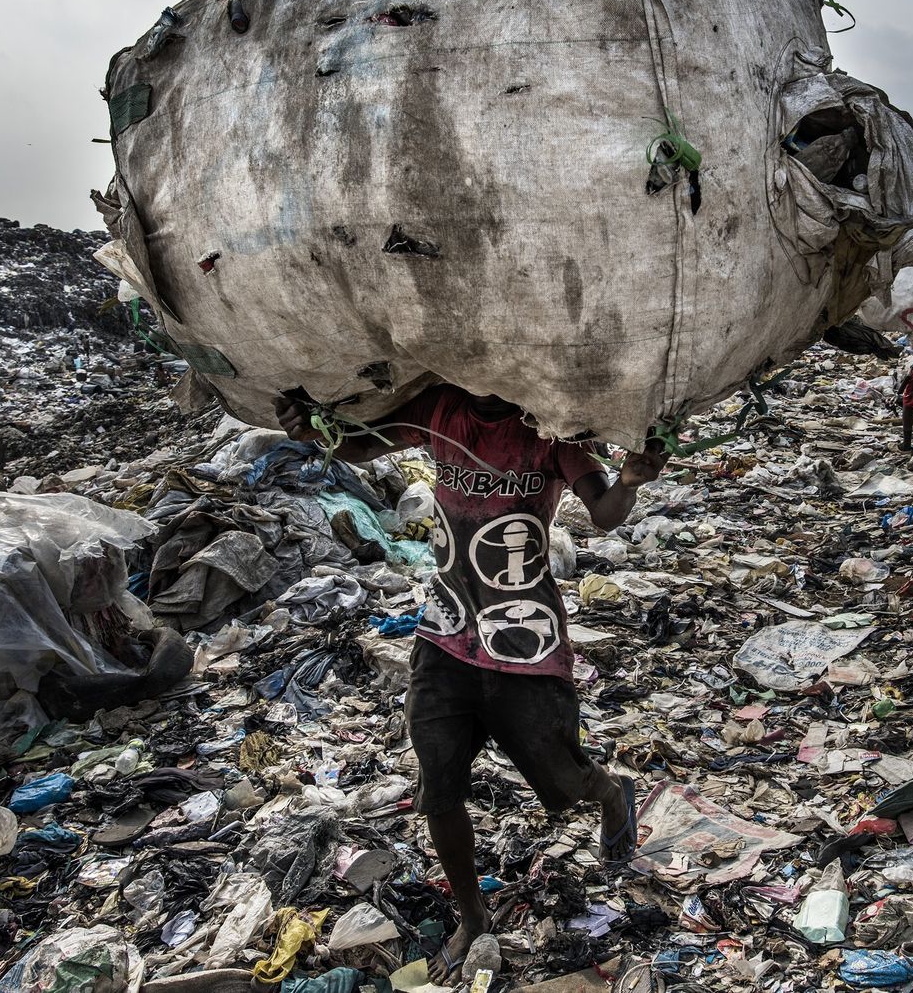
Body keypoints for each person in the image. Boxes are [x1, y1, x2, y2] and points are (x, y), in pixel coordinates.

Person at [275, 385, 667, 982]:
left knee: (560, 775)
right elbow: (360, 446)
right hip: (447, 630)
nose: (485, 386)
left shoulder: (552, 427)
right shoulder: (439, 409)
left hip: (524, 639)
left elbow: (605, 511)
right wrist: (312, 429)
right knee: (439, 782)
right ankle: (474, 916)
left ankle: (610, 793)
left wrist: (632, 479)